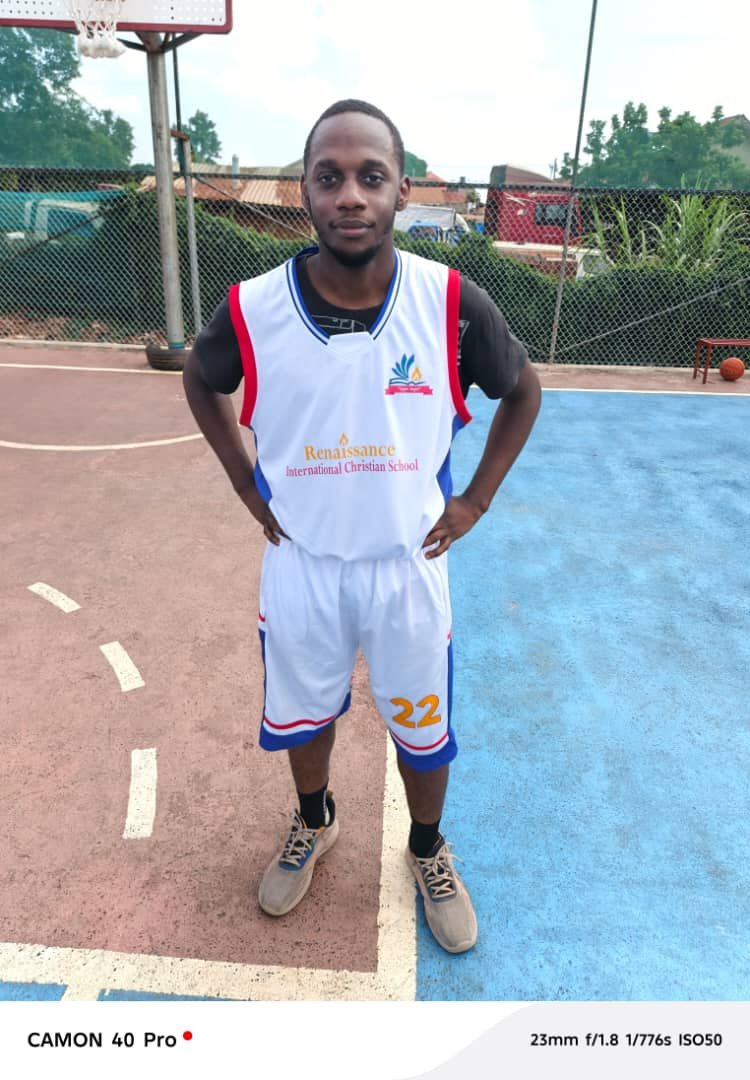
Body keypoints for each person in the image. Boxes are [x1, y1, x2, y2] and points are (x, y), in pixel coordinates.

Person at [183, 100, 541, 954]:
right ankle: (316, 820)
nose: (350, 194)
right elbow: (201, 377)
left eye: (370, 176)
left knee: (422, 726)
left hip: (406, 564)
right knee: (305, 715)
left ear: (400, 190)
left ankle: (427, 847)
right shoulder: (253, 309)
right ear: (305, 192)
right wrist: (243, 482)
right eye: (330, 176)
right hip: (302, 563)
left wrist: (475, 501)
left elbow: (523, 391)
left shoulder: (449, 302)